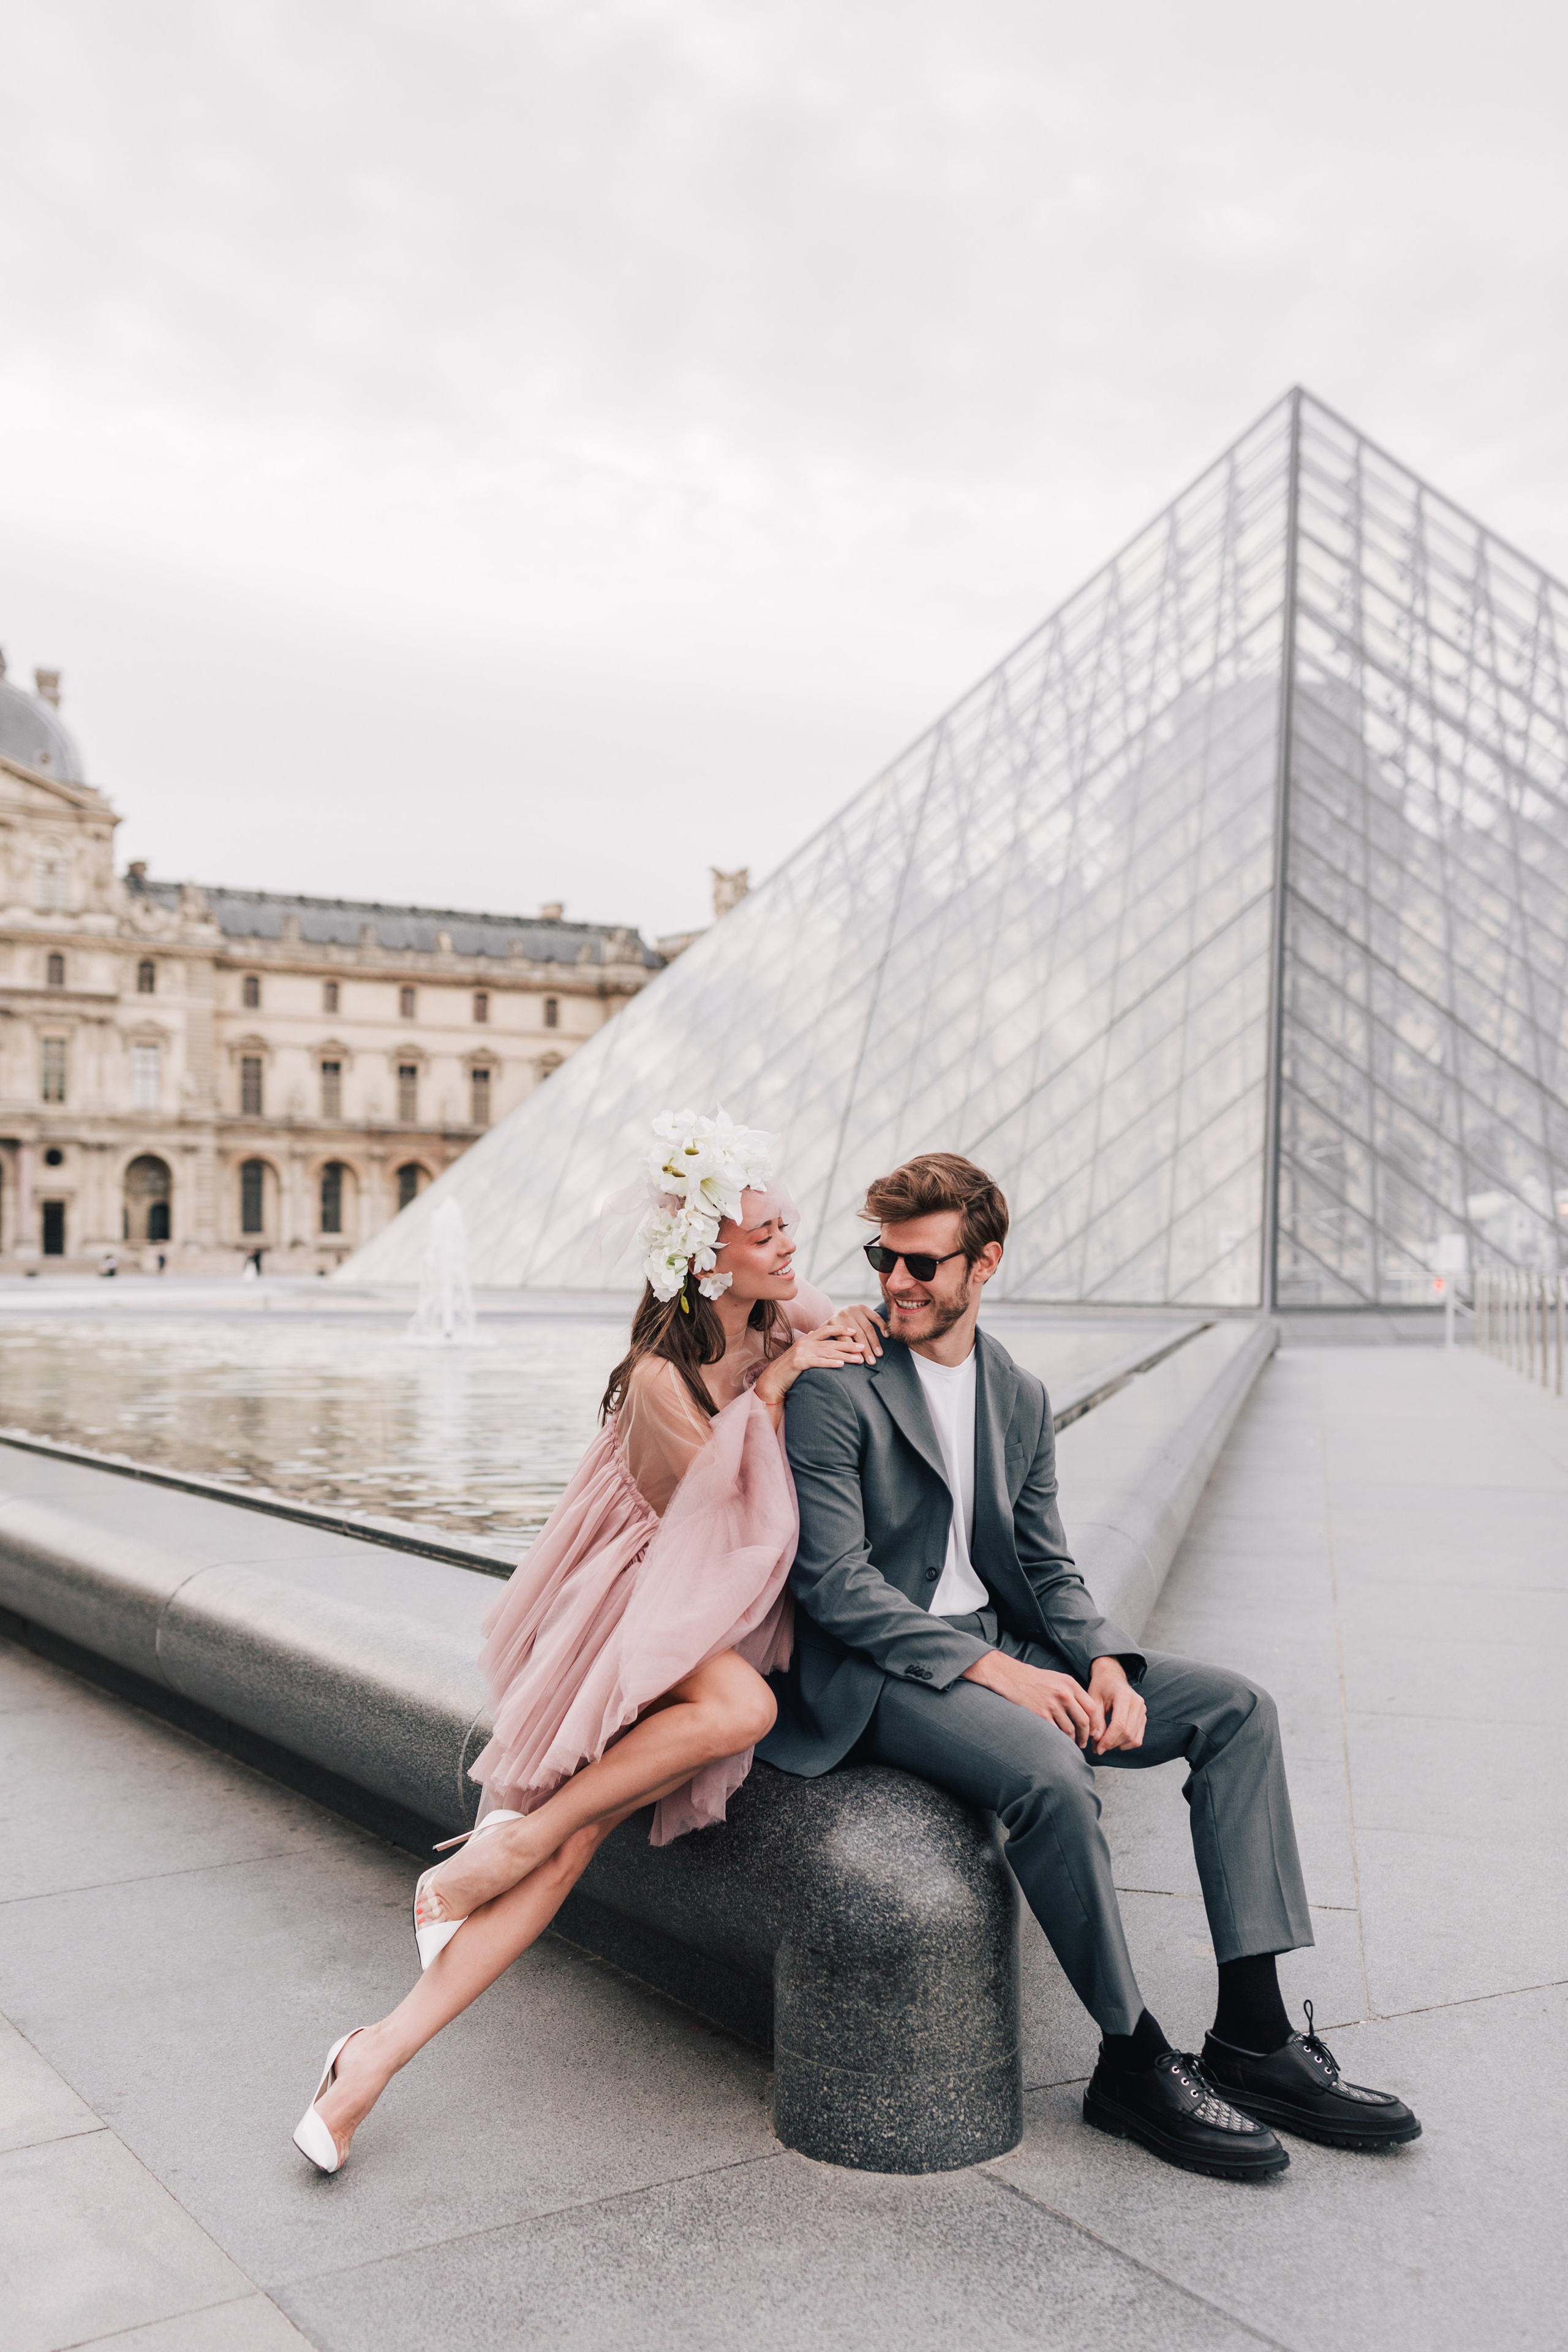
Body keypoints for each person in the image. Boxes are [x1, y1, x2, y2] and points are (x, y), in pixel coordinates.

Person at [758, 1152, 1420, 2182]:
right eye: (884, 1256)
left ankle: (1253, 2035)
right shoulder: (839, 1384)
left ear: (987, 1264)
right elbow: (836, 1587)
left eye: (924, 1265)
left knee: (1239, 1711)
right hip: (877, 1677)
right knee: (1049, 1774)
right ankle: (1131, 2058)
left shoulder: (1016, 1392)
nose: (896, 1283)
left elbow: (1049, 1562)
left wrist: (1104, 1660)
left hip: (1004, 1645)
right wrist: (1005, 1680)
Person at [293, 1110, 881, 2173]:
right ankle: (420, 1981)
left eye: (789, 1222)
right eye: (766, 1231)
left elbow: (862, 1374)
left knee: (560, 1844)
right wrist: (785, 1384)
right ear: (709, 1257)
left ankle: (370, 2055)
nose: (792, 1243)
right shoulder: (662, 1380)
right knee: (642, 1786)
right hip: (651, 1597)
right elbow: (722, 1518)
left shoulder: (792, 1309)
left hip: (725, 1601)